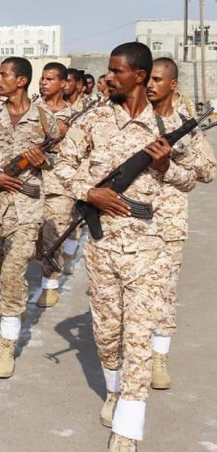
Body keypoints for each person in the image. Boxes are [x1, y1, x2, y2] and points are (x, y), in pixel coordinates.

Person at [55, 42, 199, 451]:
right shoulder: (93, 119)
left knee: (137, 337)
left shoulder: (168, 123)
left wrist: (166, 166)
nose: (109, 77)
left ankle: (129, 427)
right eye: (109, 70)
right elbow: (61, 164)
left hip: (150, 245)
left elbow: (193, 177)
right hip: (102, 245)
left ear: (139, 76)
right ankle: (114, 390)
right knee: (107, 334)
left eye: (117, 71)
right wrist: (88, 191)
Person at [0, 57, 56, 379]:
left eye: (4, 75)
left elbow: (64, 157)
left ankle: (7, 342)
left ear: (21, 81)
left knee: (12, 273)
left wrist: (43, 159)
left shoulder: (44, 118)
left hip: (27, 208)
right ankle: (12, 305)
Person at [146, 57, 216, 390]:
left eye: (158, 80)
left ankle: (159, 356)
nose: (150, 85)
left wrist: (175, 156)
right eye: (148, 79)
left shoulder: (186, 125)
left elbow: (208, 171)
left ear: (172, 85)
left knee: (163, 292)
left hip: (168, 222)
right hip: (127, 220)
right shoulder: (131, 118)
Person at [36, 62, 78, 307]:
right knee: (33, 239)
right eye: (42, 78)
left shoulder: (76, 116)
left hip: (59, 185)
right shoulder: (29, 109)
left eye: (50, 79)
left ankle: (49, 287)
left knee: (53, 237)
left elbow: (80, 148)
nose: (44, 83)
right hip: (30, 182)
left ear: (63, 83)